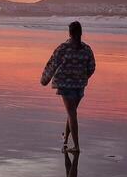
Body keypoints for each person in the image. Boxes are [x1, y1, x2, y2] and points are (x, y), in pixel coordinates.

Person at [40, 20, 96, 152]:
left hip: (66, 85)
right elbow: (92, 67)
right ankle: (65, 139)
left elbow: (52, 64)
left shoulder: (63, 48)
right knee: (72, 113)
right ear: (81, 33)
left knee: (72, 113)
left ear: (70, 33)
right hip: (79, 85)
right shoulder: (87, 49)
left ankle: (76, 146)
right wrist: (83, 77)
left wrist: (44, 80)